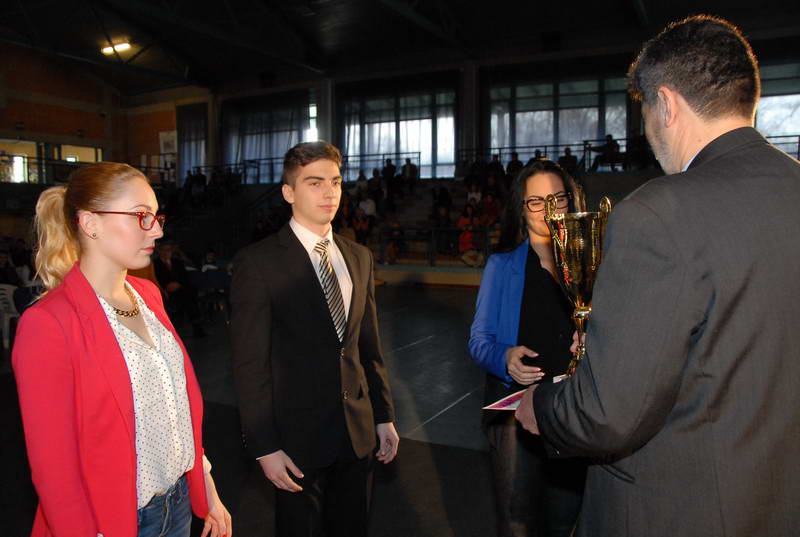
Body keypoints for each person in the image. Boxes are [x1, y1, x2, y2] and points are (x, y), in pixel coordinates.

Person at [515, 15, 800, 537]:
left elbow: (608, 414)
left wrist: (544, 406)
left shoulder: (659, 213)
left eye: (644, 111)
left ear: (665, 104)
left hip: (679, 510)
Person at [12, 162, 231, 537]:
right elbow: (54, 469)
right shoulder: (48, 324)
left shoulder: (147, 295)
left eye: (156, 216)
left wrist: (206, 485)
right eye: (140, 216)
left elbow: (173, 408)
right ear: (90, 223)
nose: (157, 230)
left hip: (178, 503)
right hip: (116, 521)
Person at [230, 141, 399, 537]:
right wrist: (264, 446)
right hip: (294, 440)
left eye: (335, 182)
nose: (329, 192)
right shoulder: (258, 263)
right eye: (314, 182)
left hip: (356, 433)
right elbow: (250, 365)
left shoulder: (358, 256)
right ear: (288, 192)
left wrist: (383, 415)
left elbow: (368, 347)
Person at [470, 159, 585, 537]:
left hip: (572, 407)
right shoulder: (502, 265)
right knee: (517, 521)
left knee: (566, 519)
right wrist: (504, 357)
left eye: (557, 198)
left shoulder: (592, 261)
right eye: (536, 201)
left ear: (571, 200)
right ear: (522, 209)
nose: (548, 209)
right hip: (514, 410)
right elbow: (479, 341)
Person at [153, 242, 206, 337]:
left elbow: (184, 277)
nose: (166, 252)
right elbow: (156, 279)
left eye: (169, 250)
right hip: (164, 290)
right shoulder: (154, 264)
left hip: (180, 289)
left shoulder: (177, 262)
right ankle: (190, 326)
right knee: (186, 298)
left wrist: (179, 284)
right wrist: (165, 287)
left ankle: (196, 327)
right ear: (159, 251)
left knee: (189, 293)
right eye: (164, 250)